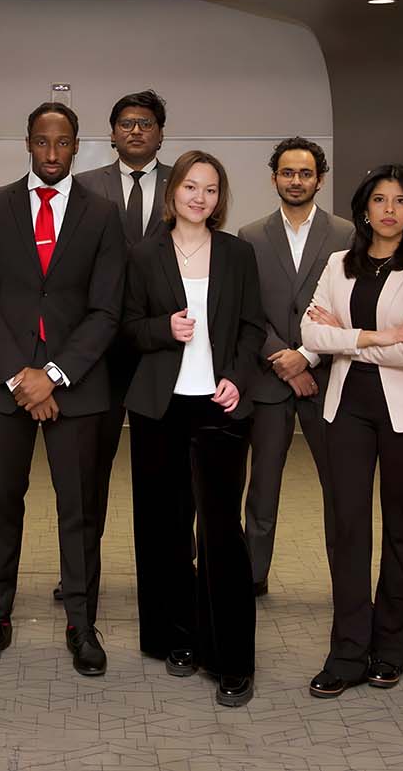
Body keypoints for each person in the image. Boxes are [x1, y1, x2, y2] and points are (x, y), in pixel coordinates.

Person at [0, 101, 126, 677]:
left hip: (75, 388)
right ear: (26, 143)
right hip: (2, 386)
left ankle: (83, 625)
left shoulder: (103, 215)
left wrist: (52, 375)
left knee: (78, 511)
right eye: (41, 142)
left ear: (77, 145)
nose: (51, 154)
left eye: (62, 143)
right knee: (0, 506)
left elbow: (107, 309)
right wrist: (20, 376)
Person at [122, 150, 263, 707]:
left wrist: (236, 377)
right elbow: (128, 328)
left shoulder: (238, 254)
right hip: (160, 406)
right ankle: (175, 636)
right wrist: (164, 327)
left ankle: (232, 657)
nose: (199, 197)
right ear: (172, 193)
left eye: (210, 189)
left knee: (222, 531)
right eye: (190, 187)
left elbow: (253, 328)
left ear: (219, 199)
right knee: (165, 526)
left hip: (219, 406)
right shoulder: (143, 254)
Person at [299, 164, 403, 697]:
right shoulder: (339, 263)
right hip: (346, 407)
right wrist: (378, 334)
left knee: (400, 528)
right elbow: (309, 330)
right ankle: (347, 650)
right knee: (347, 528)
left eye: (400, 201)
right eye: (380, 200)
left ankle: (392, 646)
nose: (389, 209)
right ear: (364, 209)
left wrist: (346, 336)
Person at [237, 137, 351, 596]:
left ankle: (345, 577)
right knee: (262, 486)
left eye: (305, 173)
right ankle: (252, 575)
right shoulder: (250, 236)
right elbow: (245, 309)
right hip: (268, 379)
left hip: (327, 378)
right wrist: (282, 357)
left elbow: (350, 307)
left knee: (340, 487)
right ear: (274, 178)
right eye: (288, 173)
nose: (296, 181)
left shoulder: (346, 235)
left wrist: (307, 356)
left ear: (319, 179)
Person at [70, 89, 169, 602]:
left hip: (162, 347)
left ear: (160, 132)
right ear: (111, 133)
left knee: (161, 468)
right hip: (100, 349)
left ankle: (165, 572)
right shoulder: (85, 186)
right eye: (126, 123)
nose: (136, 130)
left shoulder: (187, 185)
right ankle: (81, 575)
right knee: (91, 466)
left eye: (146, 123)